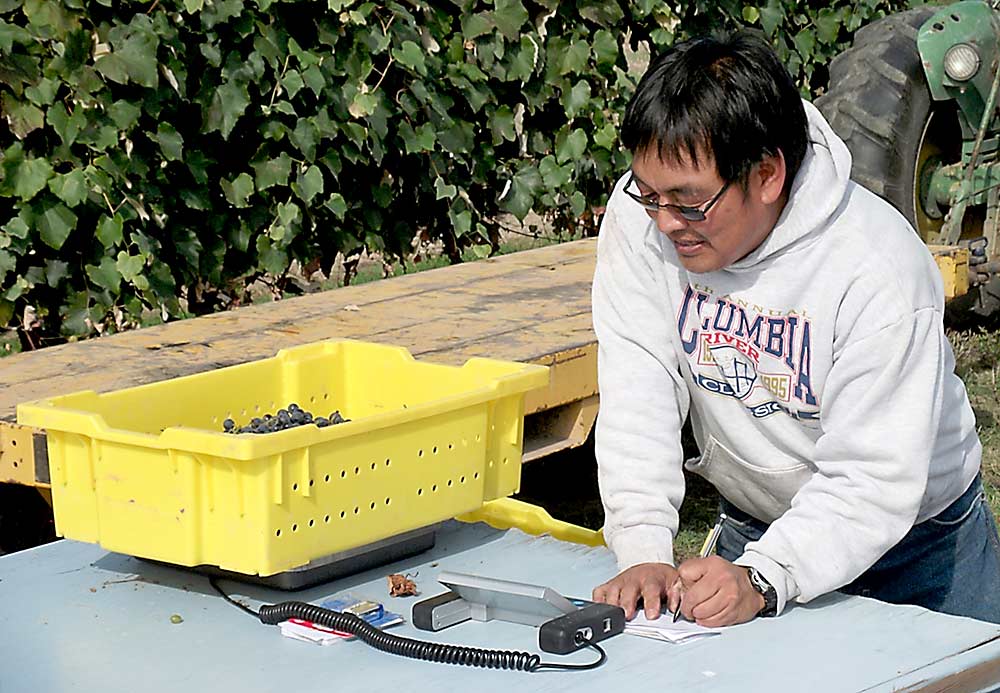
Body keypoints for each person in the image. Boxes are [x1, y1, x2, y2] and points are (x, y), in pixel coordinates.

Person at [589, 29, 1000, 627]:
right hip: (759, 527)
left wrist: (764, 577)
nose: (666, 222)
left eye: (689, 202)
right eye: (649, 194)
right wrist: (644, 547)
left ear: (766, 175)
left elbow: (873, 478)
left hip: (917, 547)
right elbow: (638, 383)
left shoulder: (875, 267)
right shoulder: (642, 220)